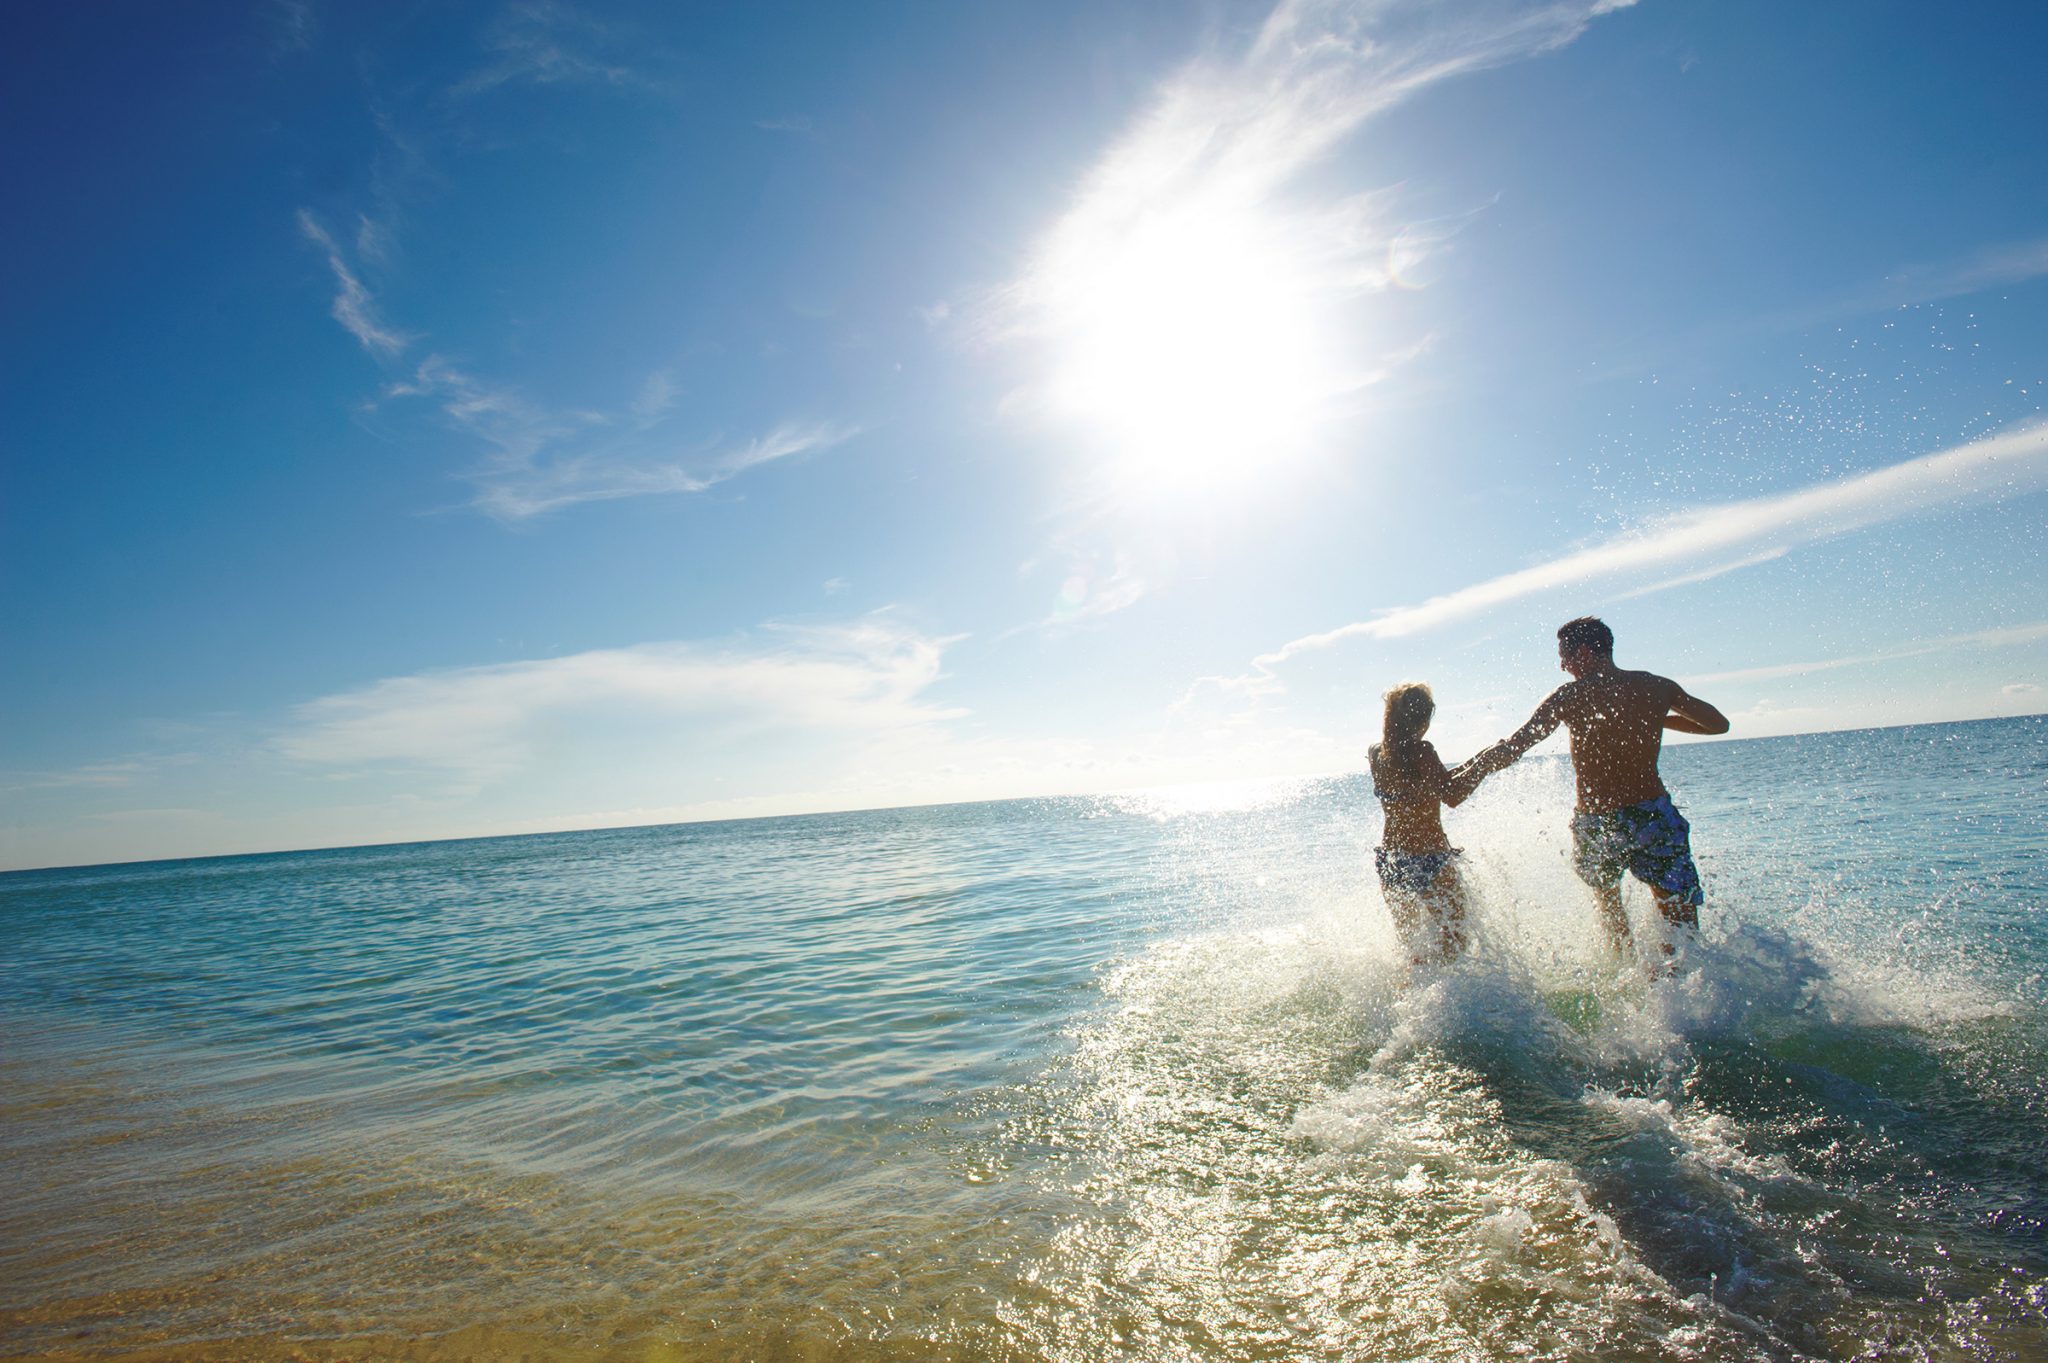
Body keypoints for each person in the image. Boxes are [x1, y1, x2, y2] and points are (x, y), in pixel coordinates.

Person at [1469, 616, 1729, 962]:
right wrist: (1655, 716)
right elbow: (1717, 725)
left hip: (1598, 823)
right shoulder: (1656, 687)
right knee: (1678, 918)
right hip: (1652, 813)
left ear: (1588, 652)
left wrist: (1466, 774)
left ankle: (1625, 980)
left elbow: (1515, 746)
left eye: (1565, 655)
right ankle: (1681, 993)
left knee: (1611, 911)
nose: (1562, 665)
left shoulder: (1570, 696)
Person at [1367, 682, 1494, 967]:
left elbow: (1434, 781)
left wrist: (1476, 759)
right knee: (1456, 940)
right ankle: (1444, 1000)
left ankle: (1412, 992)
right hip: (1428, 859)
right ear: (1424, 719)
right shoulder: (1422, 751)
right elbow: (1451, 794)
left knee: (1411, 947)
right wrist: (1485, 764)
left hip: (1391, 862)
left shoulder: (1376, 753)